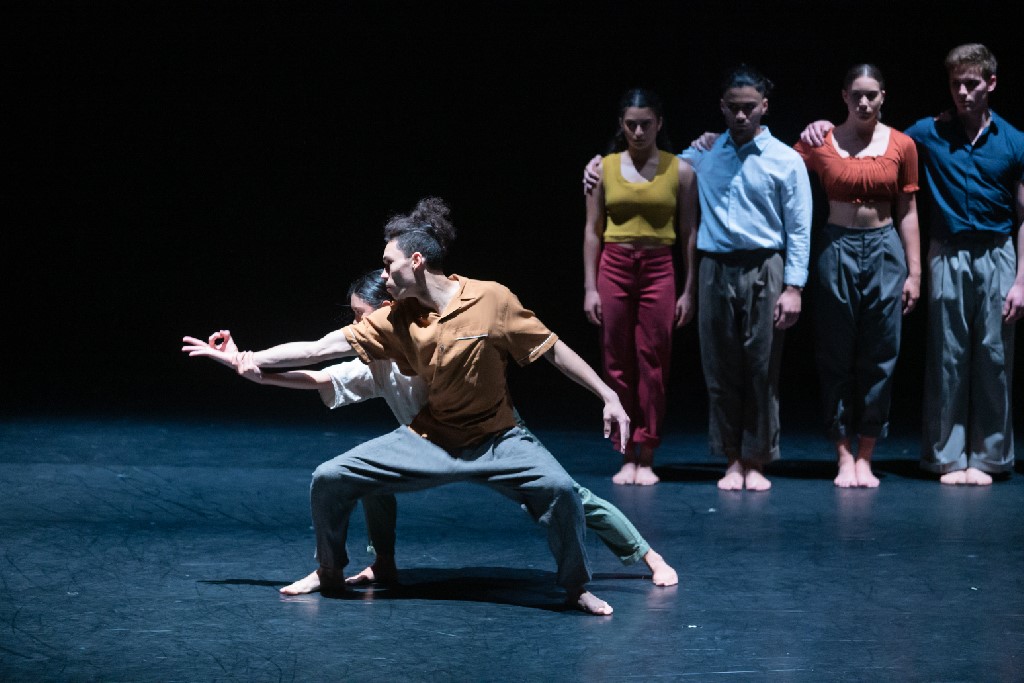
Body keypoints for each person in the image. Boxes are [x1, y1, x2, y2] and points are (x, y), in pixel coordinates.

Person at [183, 197, 631, 615]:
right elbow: (320, 349)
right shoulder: (395, 318)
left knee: (562, 490)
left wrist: (608, 395)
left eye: (388, 264)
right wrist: (247, 358)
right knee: (330, 477)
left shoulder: (491, 299)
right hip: (431, 438)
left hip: (498, 439)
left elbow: (551, 349)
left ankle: (576, 587)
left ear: (415, 262)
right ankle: (329, 570)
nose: (383, 275)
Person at [197, 270, 678, 587]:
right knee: (364, 479)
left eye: (368, 317)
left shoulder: (430, 339)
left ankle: (644, 554)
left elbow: (534, 348)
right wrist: (246, 364)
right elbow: (320, 371)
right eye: (360, 322)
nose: (364, 329)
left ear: (392, 309)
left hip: (488, 440)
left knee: (566, 492)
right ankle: (381, 563)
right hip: (425, 447)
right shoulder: (376, 364)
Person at [801, 45, 1024, 485]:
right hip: (936, 248)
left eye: (972, 83)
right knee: (946, 357)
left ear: (991, 84)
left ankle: (989, 458)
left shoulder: (1010, 140)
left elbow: (1020, 215)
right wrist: (820, 126)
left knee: (993, 357)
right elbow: (848, 145)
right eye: (956, 83)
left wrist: (1020, 278)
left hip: (993, 250)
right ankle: (943, 457)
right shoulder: (929, 132)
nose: (963, 91)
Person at [588, 66, 812, 491]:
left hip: (765, 264)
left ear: (764, 107)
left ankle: (757, 459)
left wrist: (794, 286)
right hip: (715, 265)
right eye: (734, 108)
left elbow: (799, 226)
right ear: (722, 109)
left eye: (750, 108)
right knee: (720, 367)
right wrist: (596, 165)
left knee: (761, 366)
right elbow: (649, 165)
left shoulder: (786, 159)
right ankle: (730, 458)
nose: (742, 115)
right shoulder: (702, 157)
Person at [791, 64, 922, 488]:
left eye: (872, 95)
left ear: (883, 95)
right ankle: (842, 454)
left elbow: (908, 211)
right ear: (844, 97)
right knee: (834, 355)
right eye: (856, 95)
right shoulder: (822, 141)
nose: (864, 102)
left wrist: (914, 272)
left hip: (884, 248)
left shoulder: (903, 145)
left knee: (881, 354)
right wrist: (710, 143)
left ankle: (866, 453)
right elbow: (770, 161)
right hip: (836, 246)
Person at [583, 89, 698, 486]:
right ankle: (623, 453)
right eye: (630, 123)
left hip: (658, 267)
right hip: (613, 266)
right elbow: (592, 231)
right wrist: (590, 287)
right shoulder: (604, 169)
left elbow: (688, 232)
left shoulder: (679, 170)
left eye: (645, 123)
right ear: (621, 125)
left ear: (659, 124)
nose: (637, 131)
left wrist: (689, 289)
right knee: (615, 361)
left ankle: (646, 453)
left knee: (653, 362)